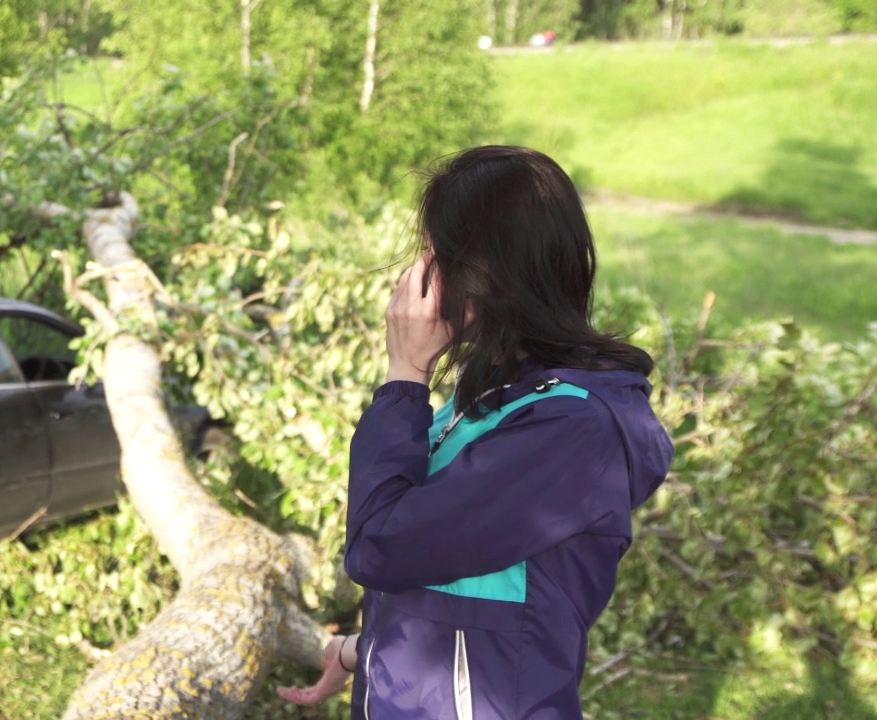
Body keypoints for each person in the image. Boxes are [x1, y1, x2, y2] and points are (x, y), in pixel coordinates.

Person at [277, 145, 674, 718]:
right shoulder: (494, 400)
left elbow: (380, 547)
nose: (420, 276)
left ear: (490, 272)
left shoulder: (568, 430)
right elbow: (467, 596)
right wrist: (359, 651)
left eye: (435, 254)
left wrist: (405, 376)